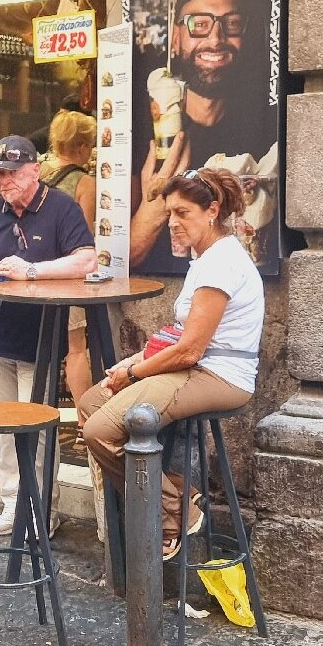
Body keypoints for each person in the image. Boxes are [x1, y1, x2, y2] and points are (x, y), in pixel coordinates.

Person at [80, 168, 264, 561]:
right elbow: (180, 336)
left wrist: (132, 372)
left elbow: (190, 350)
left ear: (211, 210)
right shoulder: (207, 258)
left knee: (99, 431)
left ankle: (169, 514)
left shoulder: (221, 263)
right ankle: (180, 492)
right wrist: (136, 360)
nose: (172, 223)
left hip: (218, 375)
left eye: (183, 213)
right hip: (195, 366)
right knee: (91, 403)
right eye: (169, 213)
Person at [0, 135, 96, 537]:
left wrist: (32, 271)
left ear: (36, 169)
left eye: (13, 172)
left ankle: (41, 510)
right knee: (3, 427)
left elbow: (86, 261)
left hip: (40, 340)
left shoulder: (61, 208)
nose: (5, 181)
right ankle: (12, 503)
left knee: (36, 430)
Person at [130, 0, 277, 272]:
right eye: (198, 24)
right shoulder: (143, 130)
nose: (215, 39)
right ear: (175, 38)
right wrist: (156, 208)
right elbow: (118, 260)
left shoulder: (265, 131)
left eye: (231, 24)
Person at [38, 110, 96, 406]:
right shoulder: (84, 183)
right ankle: (85, 419)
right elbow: (84, 236)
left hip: (37, 274)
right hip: (70, 276)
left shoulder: (39, 176)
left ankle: (36, 413)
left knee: (41, 348)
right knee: (76, 349)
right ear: (83, 148)